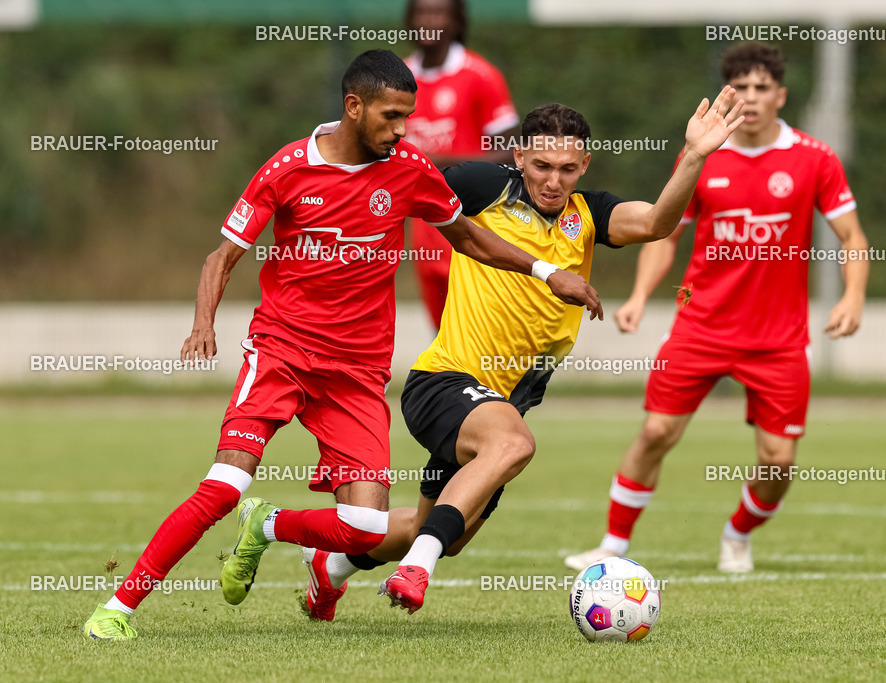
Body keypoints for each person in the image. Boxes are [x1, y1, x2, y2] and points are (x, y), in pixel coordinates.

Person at [81, 49, 600, 640]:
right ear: (354, 107)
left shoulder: (409, 168)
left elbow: (469, 239)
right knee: (224, 486)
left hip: (356, 372)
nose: (403, 129)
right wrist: (204, 323)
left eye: (408, 116)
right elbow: (222, 256)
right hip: (281, 352)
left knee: (360, 528)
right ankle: (119, 608)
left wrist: (544, 271)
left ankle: (268, 526)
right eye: (391, 116)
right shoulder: (287, 169)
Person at [295, 86, 745, 617]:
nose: (553, 180)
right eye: (541, 165)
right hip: (444, 381)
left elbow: (655, 224)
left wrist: (694, 156)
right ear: (518, 156)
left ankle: (332, 566)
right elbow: (402, 172)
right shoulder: (483, 186)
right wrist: (334, 149)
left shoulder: (590, 214)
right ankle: (417, 569)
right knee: (514, 446)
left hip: (499, 403)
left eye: (567, 168)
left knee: (438, 527)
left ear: (584, 165)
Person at [564, 42, 870, 574]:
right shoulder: (703, 157)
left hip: (778, 337)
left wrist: (853, 294)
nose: (751, 97)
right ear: (729, 94)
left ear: (780, 95)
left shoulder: (814, 159)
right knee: (656, 433)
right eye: (741, 87)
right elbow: (664, 236)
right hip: (700, 325)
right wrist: (639, 295)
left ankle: (738, 533)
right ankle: (612, 546)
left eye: (761, 87)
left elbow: (852, 238)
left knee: (779, 461)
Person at [403, 0, 520, 329]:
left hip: (471, 227)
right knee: (442, 337)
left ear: (456, 22)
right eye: (421, 12)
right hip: (422, 234)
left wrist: (439, 165)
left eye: (438, 12)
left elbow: (513, 154)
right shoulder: (397, 79)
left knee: (479, 335)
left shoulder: (480, 75)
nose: (429, 20)